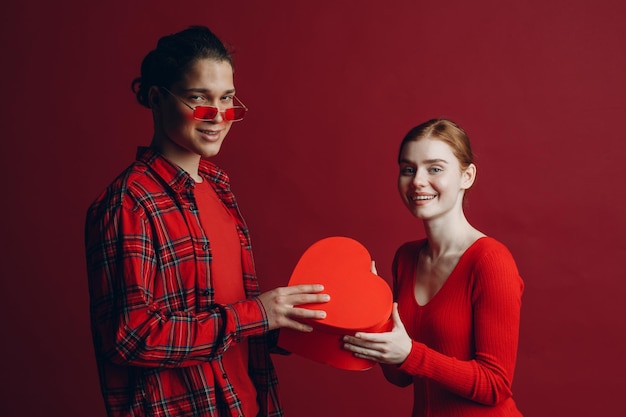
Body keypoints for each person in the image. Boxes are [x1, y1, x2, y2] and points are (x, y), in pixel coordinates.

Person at [84, 25, 329, 417]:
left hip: (245, 403)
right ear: (156, 99)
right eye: (199, 98)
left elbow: (223, 320)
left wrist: (297, 318)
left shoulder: (218, 187)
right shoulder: (129, 204)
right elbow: (130, 338)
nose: (217, 116)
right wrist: (254, 313)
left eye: (227, 98)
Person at [343, 119, 524, 416]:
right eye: (408, 169)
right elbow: (401, 376)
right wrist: (374, 320)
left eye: (435, 169)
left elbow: (495, 385)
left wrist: (412, 353)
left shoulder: (491, 260)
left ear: (467, 176)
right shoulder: (406, 258)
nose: (417, 181)